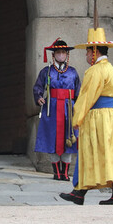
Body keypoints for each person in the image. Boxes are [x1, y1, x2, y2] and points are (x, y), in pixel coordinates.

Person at [59, 23, 113, 205]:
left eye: (88, 52)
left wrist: (77, 118)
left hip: (98, 116)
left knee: (90, 152)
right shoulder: (112, 70)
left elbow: (86, 97)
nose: (86, 55)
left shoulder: (95, 71)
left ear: (95, 52)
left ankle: (80, 192)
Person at [33, 39, 81, 181]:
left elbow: (79, 91)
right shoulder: (46, 71)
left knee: (69, 137)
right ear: (53, 55)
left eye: (63, 53)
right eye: (58, 52)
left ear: (67, 55)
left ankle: (65, 172)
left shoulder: (73, 72)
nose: (61, 55)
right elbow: (38, 87)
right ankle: (56, 172)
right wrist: (39, 97)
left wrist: (78, 107)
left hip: (68, 109)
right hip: (51, 108)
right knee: (51, 138)